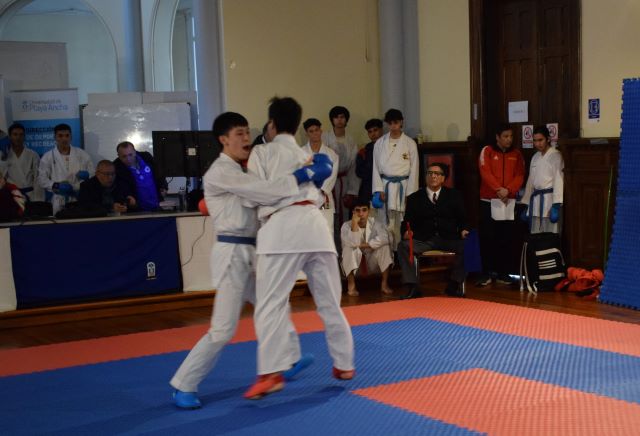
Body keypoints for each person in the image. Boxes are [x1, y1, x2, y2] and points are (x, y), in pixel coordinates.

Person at [169, 111, 329, 409]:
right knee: (223, 329)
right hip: (232, 254)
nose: (246, 138)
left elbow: (267, 193)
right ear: (223, 139)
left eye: (247, 132)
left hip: (254, 250)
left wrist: (310, 171)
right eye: (239, 134)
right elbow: (264, 192)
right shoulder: (220, 171)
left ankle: (288, 360)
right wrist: (303, 175)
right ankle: (183, 384)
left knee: (275, 304)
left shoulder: (245, 170)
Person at [245, 97, 355, 400]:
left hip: (281, 231)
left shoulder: (262, 152)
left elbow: (254, 194)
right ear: (297, 127)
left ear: (271, 124)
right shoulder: (310, 156)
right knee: (330, 302)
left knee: (270, 305)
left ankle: (270, 373)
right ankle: (344, 364)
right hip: (316, 227)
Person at [397, 163, 470, 299]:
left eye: (437, 174)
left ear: (443, 178)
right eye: (430, 173)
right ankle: (413, 287)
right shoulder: (414, 198)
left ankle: (454, 284)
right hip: (424, 239)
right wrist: (406, 232)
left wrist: (464, 230)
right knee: (403, 246)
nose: (433, 176)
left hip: (448, 238)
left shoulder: (454, 195)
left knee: (470, 245)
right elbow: (407, 222)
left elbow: (463, 219)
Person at [476, 123, 525, 287]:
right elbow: (485, 172)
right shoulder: (487, 151)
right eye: (505, 136)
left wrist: (508, 190)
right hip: (489, 201)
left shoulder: (517, 154)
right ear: (497, 137)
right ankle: (487, 273)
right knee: (488, 238)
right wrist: (498, 189)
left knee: (506, 238)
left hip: (508, 201)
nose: (509, 139)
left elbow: (520, 175)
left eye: (511, 136)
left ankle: (503, 273)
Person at [371, 108, 419, 251]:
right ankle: (387, 253)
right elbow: (375, 168)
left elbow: (414, 169)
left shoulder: (410, 143)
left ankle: (400, 253)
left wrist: (411, 194)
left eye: (396, 123)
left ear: (401, 122)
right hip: (385, 185)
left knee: (401, 221)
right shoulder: (379, 143)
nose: (393, 126)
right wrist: (378, 189)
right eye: (390, 123)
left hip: (403, 185)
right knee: (385, 222)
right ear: (387, 124)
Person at [341, 198, 394, 297]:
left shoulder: (376, 223)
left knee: (385, 247)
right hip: (355, 266)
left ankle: (384, 284)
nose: (361, 214)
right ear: (353, 212)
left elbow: (386, 238)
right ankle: (351, 285)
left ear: (369, 211)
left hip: (372, 264)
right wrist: (354, 224)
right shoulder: (346, 226)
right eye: (357, 210)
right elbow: (352, 243)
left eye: (364, 210)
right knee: (348, 249)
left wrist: (365, 245)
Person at [38, 123, 94, 214]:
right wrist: (56, 185)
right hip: (59, 198)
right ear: (55, 137)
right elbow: (41, 179)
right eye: (60, 136)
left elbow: (93, 174)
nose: (64, 139)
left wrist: (88, 176)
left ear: (71, 137)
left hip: (78, 196)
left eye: (67, 135)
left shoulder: (82, 154)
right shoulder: (47, 157)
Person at [520, 125, 564, 234]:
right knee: (535, 234)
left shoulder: (556, 155)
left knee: (551, 234)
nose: (537, 144)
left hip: (549, 201)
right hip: (535, 202)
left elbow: (559, 180)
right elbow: (530, 181)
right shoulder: (535, 157)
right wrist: (526, 203)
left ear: (548, 139)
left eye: (540, 140)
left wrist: (556, 205)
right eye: (535, 141)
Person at [322, 105, 358, 226]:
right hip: (328, 182)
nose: (339, 120)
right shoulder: (325, 138)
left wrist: (352, 190)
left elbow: (353, 166)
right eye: (336, 117)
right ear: (332, 120)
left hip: (344, 181)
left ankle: (344, 237)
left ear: (346, 119)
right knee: (328, 212)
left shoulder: (351, 140)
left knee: (345, 212)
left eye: (342, 117)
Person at [113, 141, 167, 211]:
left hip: (158, 206)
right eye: (124, 156)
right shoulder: (116, 167)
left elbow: (158, 172)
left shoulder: (146, 156)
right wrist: (126, 197)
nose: (128, 159)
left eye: (130, 155)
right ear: (118, 156)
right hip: (137, 210)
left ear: (135, 152)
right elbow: (116, 189)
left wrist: (163, 186)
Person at [301, 118, 339, 211]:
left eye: (317, 130)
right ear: (306, 134)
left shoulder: (331, 154)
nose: (315, 133)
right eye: (311, 131)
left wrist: (322, 189)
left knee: (326, 220)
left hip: (324, 195)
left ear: (321, 131)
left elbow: (332, 176)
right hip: (306, 195)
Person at [3, 123, 42, 201]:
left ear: (24, 136)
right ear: (10, 136)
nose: (18, 137)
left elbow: (38, 179)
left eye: (21, 135)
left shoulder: (33, 155)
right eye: (15, 134)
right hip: (11, 196)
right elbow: (2, 178)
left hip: (30, 195)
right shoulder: (4, 156)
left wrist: (38, 200)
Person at [356, 118, 383, 205]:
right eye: (370, 132)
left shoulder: (389, 147)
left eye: (375, 130)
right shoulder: (364, 151)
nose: (373, 134)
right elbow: (358, 171)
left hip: (386, 185)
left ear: (381, 130)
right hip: (368, 187)